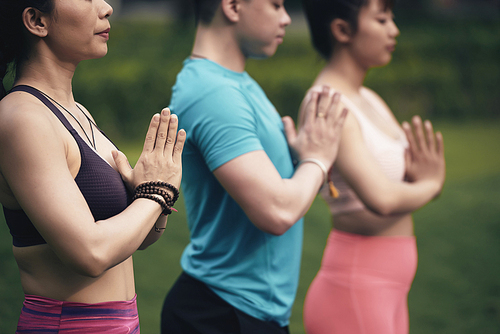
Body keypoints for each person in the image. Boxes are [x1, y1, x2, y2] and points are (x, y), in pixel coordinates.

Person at [160, 0, 348, 333]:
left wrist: (299, 160)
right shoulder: (213, 93)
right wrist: (318, 158)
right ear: (232, 6)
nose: (287, 18)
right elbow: (276, 212)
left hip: (252, 313)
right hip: (221, 314)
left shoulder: (235, 84)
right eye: (276, 4)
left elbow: (277, 189)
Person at [0, 0, 185, 332]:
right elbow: (90, 253)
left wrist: (152, 192)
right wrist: (156, 194)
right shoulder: (22, 118)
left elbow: (138, 239)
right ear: (36, 20)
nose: (107, 7)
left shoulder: (78, 112)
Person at [300, 0, 446, 333]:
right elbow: (381, 198)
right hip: (355, 289)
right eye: (381, 19)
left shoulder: (366, 97)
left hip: (388, 290)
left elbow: (399, 181)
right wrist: (432, 184)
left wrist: (415, 179)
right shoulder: (327, 103)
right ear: (342, 30)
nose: (394, 30)